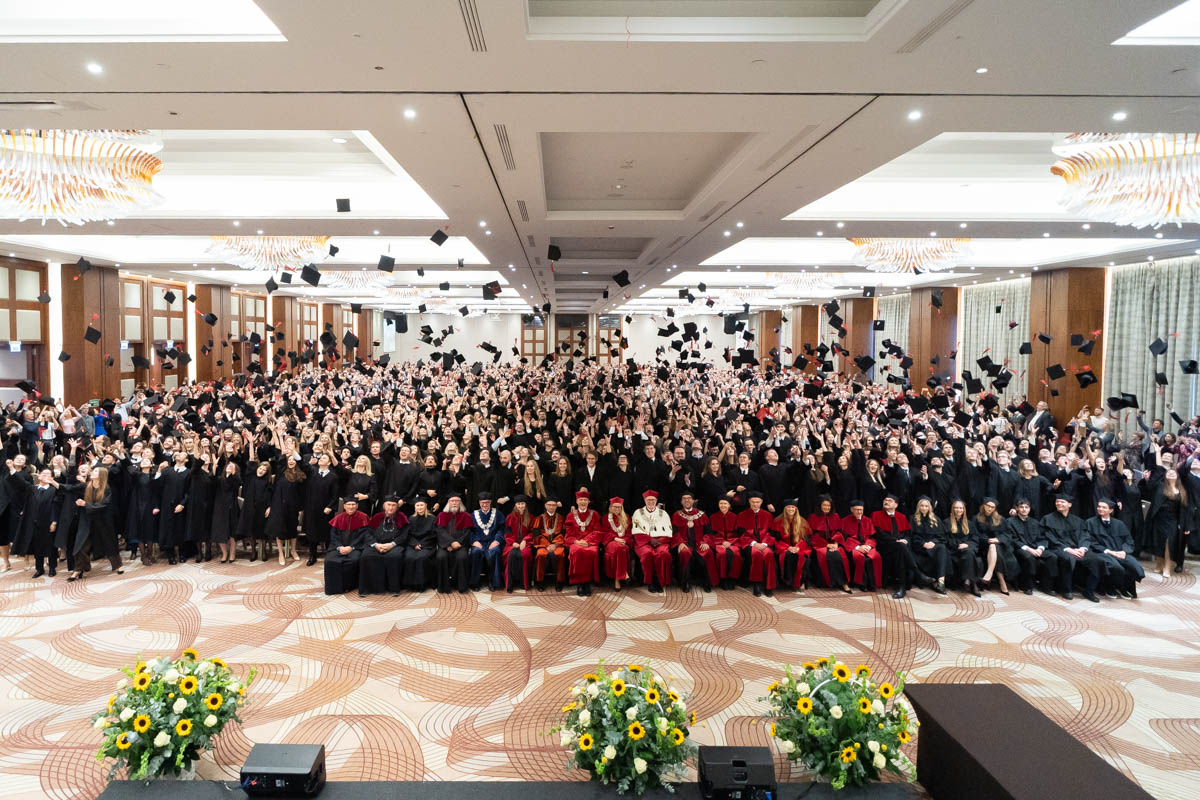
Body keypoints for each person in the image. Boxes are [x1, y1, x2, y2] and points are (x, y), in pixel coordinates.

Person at [1041, 495, 1102, 602]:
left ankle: (1089, 590)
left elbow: (1085, 536)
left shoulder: (1077, 520)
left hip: (1078, 549)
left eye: (1062, 502)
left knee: (1096, 560)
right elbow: (1049, 537)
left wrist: (1083, 548)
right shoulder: (1048, 519)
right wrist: (1067, 549)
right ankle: (1066, 590)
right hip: (1058, 548)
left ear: (1070, 504)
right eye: (1057, 501)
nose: (1059, 503)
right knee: (1068, 558)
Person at [70, 466, 121, 580]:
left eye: (96, 471)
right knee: (81, 545)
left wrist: (85, 505)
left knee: (109, 543)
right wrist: (53, 482)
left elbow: (104, 504)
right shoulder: (86, 486)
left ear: (101, 475)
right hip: (88, 521)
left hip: (102, 520)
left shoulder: (106, 488)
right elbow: (69, 487)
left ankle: (117, 566)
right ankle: (78, 569)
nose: (93, 472)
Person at [1086, 498, 1143, 598]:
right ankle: (1110, 587)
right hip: (1102, 552)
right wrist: (1109, 551)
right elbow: (1091, 541)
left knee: (1134, 565)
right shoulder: (1090, 522)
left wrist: (1124, 551)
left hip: (1120, 552)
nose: (1100, 509)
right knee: (1116, 567)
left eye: (1104, 507)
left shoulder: (1119, 524)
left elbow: (1128, 540)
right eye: (1099, 506)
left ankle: (1125, 588)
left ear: (1111, 510)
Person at [1006, 497, 1057, 596]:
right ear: (1017, 508)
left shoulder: (1035, 522)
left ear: (1030, 509)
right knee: (1028, 557)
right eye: (1021, 507)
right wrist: (1029, 549)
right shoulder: (1010, 522)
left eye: (1026, 507)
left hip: (1036, 548)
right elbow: (1013, 540)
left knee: (1052, 556)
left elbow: (1042, 537)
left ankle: (1046, 586)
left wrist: (1040, 548)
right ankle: (1027, 586)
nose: (1024, 509)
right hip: (1020, 548)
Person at [360, 496, 409, 596]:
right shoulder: (377, 517)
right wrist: (375, 544)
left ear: (397, 507)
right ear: (384, 506)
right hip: (376, 544)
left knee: (394, 557)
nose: (390, 508)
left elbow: (405, 535)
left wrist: (391, 544)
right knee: (366, 556)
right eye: (388, 505)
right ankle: (368, 589)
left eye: (393, 505)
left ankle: (394, 589)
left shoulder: (402, 517)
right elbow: (367, 533)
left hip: (395, 545)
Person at [323, 498, 369, 595]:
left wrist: (351, 547)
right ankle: (333, 588)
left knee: (353, 560)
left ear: (357, 505)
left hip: (356, 547)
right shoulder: (338, 518)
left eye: (353, 504)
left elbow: (363, 536)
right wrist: (340, 547)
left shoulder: (363, 517)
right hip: (338, 547)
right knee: (330, 560)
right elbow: (333, 536)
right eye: (348, 504)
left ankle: (348, 586)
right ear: (344, 506)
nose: (351, 507)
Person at [672, 489, 715, 592]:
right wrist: (680, 543)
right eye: (684, 499)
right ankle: (685, 582)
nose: (687, 501)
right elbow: (674, 532)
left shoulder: (702, 515)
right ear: (681, 502)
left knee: (707, 552)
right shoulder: (676, 515)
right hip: (686, 544)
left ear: (693, 501)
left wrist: (706, 542)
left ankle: (707, 582)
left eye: (689, 499)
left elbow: (708, 532)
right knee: (684, 552)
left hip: (699, 543)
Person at [738, 491, 780, 596]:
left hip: (765, 543)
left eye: (757, 502)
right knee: (756, 554)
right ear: (749, 502)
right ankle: (756, 584)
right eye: (753, 502)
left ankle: (768, 586)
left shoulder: (768, 515)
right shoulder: (742, 515)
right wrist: (753, 543)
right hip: (750, 544)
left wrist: (765, 543)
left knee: (769, 554)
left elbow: (771, 533)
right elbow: (741, 533)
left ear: (761, 502)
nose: (755, 504)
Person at [807, 495, 851, 594]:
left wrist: (835, 543)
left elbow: (839, 532)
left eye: (829, 506)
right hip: (819, 545)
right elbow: (812, 535)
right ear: (820, 506)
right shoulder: (813, 517)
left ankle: (844, 583)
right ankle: (828, 582)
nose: (827, 507)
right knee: (828, 555)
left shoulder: (836, 516)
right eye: (824, 505)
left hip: (834, 543)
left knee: (840, 556)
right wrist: (826, 545)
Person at [303, 453, 341, 565]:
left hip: (326, 509)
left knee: (327, 533)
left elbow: (335, 495)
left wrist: (330, 506)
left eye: (324, 458)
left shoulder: (333, 477)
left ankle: (329, 555)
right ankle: (312, 556)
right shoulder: (312, 472)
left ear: (329, 463)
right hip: (311, 508)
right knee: (311, 533)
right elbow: (302, 465)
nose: (321, 459)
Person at [632, 489, 673, 591]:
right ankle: (650, 581)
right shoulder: (638, 512)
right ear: (644, 500)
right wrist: (649, 540)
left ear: (656, 501)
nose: (651, 502)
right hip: (643, 542)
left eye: (653, 500)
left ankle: (659, 581)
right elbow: (636, 532)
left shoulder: (663, 513)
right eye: (648, 500)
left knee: (663, 554)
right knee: (648, 554)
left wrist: (660, 541)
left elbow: (669, 531)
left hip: (661, 542)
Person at [910, 496, 951, 595]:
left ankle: (941, 582)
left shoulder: (936, 519)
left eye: (926, 506)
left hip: (933, 546)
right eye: (922, 506)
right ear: (918, 507)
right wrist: (923, 544)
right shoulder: (913, 519)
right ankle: (926, 579)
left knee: (942, 548)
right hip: (919, 547)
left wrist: (934, 542)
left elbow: (942, 536)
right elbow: (911, 536)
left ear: (930, 507)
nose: (924, 508)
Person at [973, 497, 1014, 594]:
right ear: (984, 506)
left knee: (994, 546)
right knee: (992, 546)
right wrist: (987, 540)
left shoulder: (1000, 519)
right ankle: (1001, 581)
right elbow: (975, 534)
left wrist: (998, 539)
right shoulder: (976, 518)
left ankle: (989, 574)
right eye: (988, 506)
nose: (990, 508)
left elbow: (1008, 534)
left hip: (1000, 545)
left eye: (992, 507)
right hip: (983, 546)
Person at [435, 494, 474, 593]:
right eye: (452, 501)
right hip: (445, 545)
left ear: (460, 503)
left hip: (461, 545)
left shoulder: (466, 516)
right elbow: (440, 531)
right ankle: (444, 587)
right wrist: (451, 543)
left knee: (462, 557)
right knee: (441, 557)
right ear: (448, 503)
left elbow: (467, 533)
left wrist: (457, 543)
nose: (455, 503)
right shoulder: (441, 515)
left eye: (457, 501)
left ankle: (460, 586)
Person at [840, 500, 881, 592]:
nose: (859, 512)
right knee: (860, 557)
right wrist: (857, 547)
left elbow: (873, 537)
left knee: (875, 557)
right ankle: (861, 584)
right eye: (856, 510)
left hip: (867, 545)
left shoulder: (868, 520)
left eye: (861, 510)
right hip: (852, 546)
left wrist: (869, 546)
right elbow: (843, 538)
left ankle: (872, 584)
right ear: (851, 510)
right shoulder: (844, 521)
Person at [564, 489, 600, 595]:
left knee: (591, 552)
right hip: (576, 543)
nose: (583, 502)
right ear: (576, 501)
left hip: (590, 543)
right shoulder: (570, 516)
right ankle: (579, 583)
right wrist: (576, 541)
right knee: (577, 552)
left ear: (588, 501)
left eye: (585, 500)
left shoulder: (595, 514)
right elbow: (569, 533)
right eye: (581, 500)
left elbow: (597, 531)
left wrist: (587, 541)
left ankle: (587, 583)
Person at [470, 492, 507, 590]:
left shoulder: (497, 514)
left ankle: (492, 581)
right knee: (476, 552)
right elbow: (470, 531)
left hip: (492, 541)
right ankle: (475, 582)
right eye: (482, 502)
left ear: (490, 502)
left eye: (487, 502)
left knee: (494, 552)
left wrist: (497, 541)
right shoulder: (473, 515)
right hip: (479, 542)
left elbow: (501, 529)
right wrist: (474, 541)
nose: (485, 505)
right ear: (479, 503)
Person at [239, 462, 273, 563]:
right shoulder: (250, 478)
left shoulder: (268, 482)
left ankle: (263, 551)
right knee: (251, 530)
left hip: (262, 508)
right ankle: (253, 551)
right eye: (260, 468)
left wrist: (269, 507)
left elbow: (270, 497)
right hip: (250, 507)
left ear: (267, 473)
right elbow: (250, 463)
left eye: (264, 470)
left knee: (262, 531)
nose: (261, 471)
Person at [945, 500, 981, 596]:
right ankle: (972, 583)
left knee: (969, 553)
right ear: (953, 509)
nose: (958, 510)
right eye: (956, 507)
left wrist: (967, 544)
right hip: (953, 550)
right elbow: (945, 539)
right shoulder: (947, 522)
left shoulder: (969, 523)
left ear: (964, 510)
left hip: (967, 549)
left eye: (960, 508)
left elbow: (975, 538)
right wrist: (958, 545)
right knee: (969, 554)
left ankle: (971, 582)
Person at [775, 499, 812, 591]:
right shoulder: (778, 521)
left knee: (802, 558)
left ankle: (801, 581)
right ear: (785, 509)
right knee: (788, 555)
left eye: (793, 507)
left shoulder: (803, 522)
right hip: (784, 547)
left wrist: (798, 547)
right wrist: (788, 547)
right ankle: (789, 582)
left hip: (800, 547)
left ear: (796, 509)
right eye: (788, 507)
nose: (790, 509)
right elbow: (776, 538)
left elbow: (806, 539)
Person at [401, 498, 437, 590]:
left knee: (421, 557)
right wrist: (414, 544)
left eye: (421, 505)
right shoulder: (411, 519)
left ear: (426, 506)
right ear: (415, 507)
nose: (420, 507)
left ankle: (421, 585)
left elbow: (433, 535)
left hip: (427, 545)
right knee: (409, 557)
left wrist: (422, 544)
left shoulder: (432, 518)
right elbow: (408, 534)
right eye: (417, 505)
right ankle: (410, 584)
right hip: (413, 544)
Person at [709, 496, 743, 590]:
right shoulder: (713, 517)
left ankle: (732, 579)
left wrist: (730, 542)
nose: (723, 505)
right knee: (722, 554)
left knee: (735, 554)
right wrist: (722, 541)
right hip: (718, 542)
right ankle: (723, 579)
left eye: (725, 503)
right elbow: (711, 534)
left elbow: (738, 533)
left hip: (733, 542)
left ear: (729, 505)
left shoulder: (735, 517)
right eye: (721, 503)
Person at [211, 461, 241, 564]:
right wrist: (214, 466)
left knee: (232, 531)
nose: (229, 467)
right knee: (219, 530)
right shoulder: (220, 479)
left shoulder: (236, 479)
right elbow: (213, 480)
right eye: (228, 465)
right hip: (219, 507)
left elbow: (235, 485)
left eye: (232, 466)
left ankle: (232, 552)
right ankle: (224, 553)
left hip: (232, 507)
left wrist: (231, 475)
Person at [532, 497, 565, 590]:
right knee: (540, 554)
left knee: (560, 554)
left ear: (556, 506)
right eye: (549, 505)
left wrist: (555, 544)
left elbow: (563, 533)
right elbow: (536, 534)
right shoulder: (539, 518)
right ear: (545, 505)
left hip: (557, 544)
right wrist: (547, 545)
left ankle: (559, 581)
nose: (551, 507)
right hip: (543, 544)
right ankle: (540, 581)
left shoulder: (561, 518)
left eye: (553, 505)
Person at [504, 496, 534, 592]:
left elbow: (533, 532)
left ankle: (523, 582)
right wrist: (513, 543)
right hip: (512, 543)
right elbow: (507, 533)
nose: (520, 506)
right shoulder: (509, 517)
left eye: (522, 504)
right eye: (518, 504)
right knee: (511, 554)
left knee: (524, 555)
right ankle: (510, 584)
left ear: (525, 505)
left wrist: (525, 540)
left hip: (527, 543)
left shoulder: (531, 517)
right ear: (515, 505)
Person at [601, 497, 632, 590]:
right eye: (614, 507)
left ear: (621, 508)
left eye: (619, 507)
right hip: (610, 541)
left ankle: (618, 577)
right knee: (619, 548)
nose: (616, 509)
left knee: (621, 548)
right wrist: (615, 538)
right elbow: (604, 533)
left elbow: (629, 533)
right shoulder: (605, 518)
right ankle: (621, 576)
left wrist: (625, 540)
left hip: (623, 541)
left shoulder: (626, 517)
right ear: (610, 507)